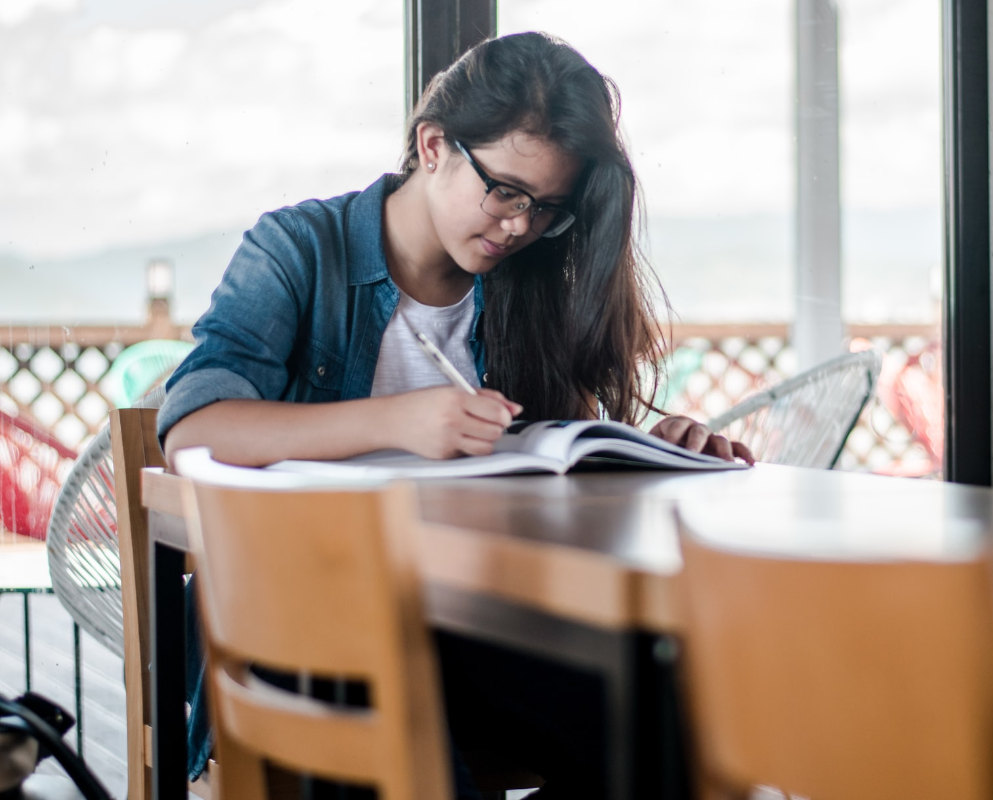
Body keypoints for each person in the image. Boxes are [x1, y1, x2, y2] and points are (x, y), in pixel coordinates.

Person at [160, 30, 752, 799]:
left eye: (547, 209)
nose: (518, 226)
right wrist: (397, 422)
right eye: (504, 190)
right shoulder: (299, 249)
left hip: (478, 620)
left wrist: (644, 449)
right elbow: (193, 430)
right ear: (432, 144)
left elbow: (544, 462)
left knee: (672, 718)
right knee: (389, 726)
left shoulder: (527, 284)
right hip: (308, 618)